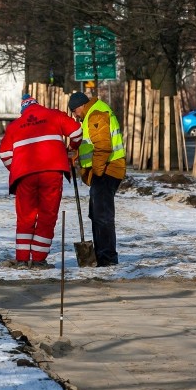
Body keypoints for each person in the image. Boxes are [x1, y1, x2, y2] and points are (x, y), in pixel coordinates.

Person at [0, 94, 83, 268]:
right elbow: (76, 132)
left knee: (25, 216)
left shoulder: (14, 126)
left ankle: (22, 259)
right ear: (38, 105)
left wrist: (17, 168)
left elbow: (5, 154)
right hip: (52, 172)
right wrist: (72, 148)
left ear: (23, 110)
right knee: (47, 215)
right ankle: (38, 259)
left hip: (24, 177)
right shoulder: (54, 115)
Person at [67, 91, 126, 267]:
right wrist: (76, 155)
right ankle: (101, 255)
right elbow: (90, 144)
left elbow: (103, 146)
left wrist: (97, 172)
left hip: (107, 170)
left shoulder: (95, 114)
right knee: (96, 214)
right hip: (104, 170)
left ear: (80, 106)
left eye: (74, 111)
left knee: (103, 216)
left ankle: (107, 257)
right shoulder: (92, 114)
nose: (75, 116)